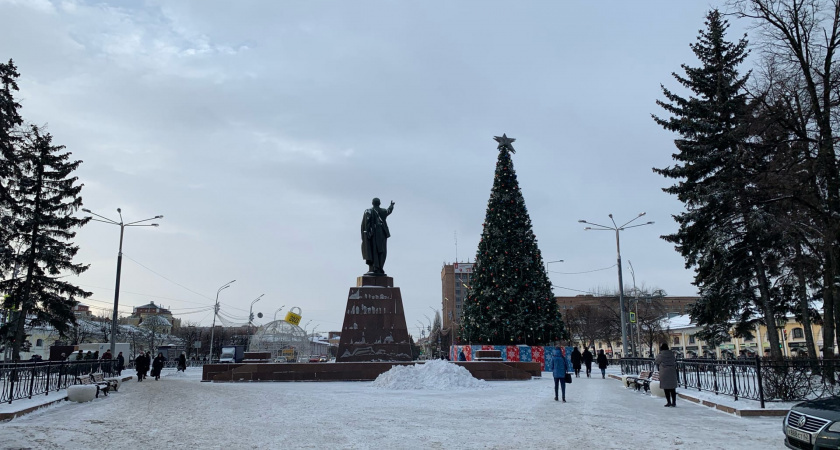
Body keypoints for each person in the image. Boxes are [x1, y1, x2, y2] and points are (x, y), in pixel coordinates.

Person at [361, 198, 395, 275]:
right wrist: (391, 205)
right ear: (379, 203)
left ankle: (373, 268)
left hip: (372, 235)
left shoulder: (368, 211)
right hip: (382, 234)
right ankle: (379, 268)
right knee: (381, 251)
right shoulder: (382, 211)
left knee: (373, 251)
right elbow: (388, 211)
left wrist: (367, 234)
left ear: (372, 203)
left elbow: (365, 225)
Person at [655, 342, 679, 407]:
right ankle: (674, 402)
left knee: (666, 388)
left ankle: (668, 402)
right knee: (672, 388)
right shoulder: (672, 354)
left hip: (664, 372)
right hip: (672, 372)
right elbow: (674, 360)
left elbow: (657, 361)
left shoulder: (661, 355)